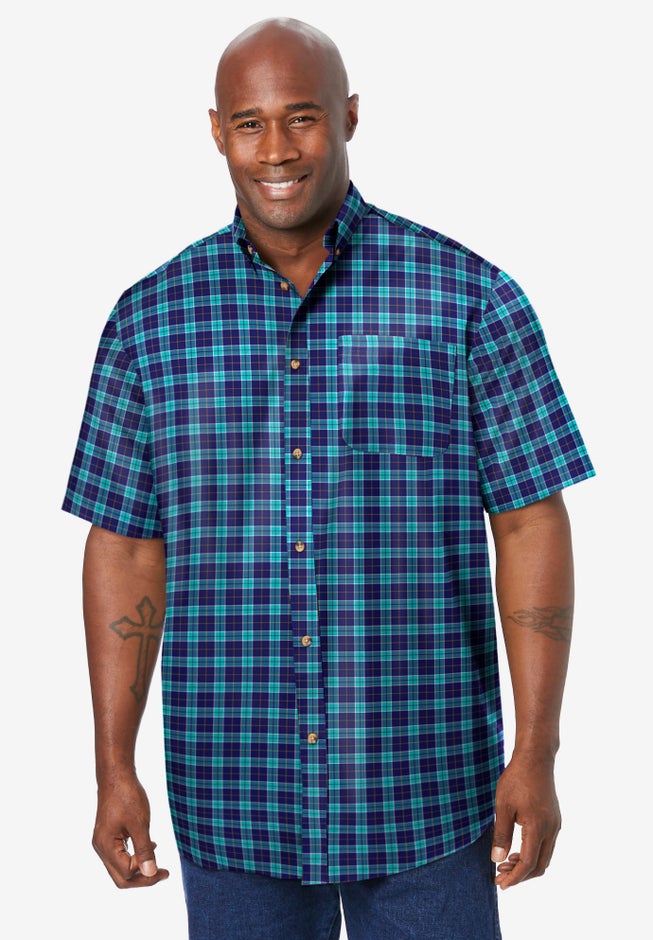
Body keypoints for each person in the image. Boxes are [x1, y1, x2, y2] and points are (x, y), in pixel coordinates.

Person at [62, 16, 595, 940]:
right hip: (234, 795)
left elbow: (529, 523)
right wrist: (114, 768)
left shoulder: (467, 299)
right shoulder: (149, 322)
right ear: (217, 131)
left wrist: (537, 752)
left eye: (301, 117)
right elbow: (125, 545)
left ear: (349, 116)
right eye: (249, 123)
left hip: (427, 791)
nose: (276, 150)